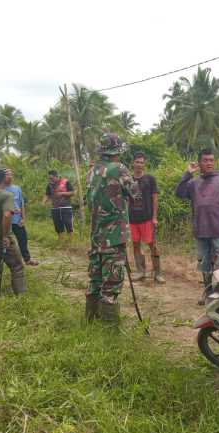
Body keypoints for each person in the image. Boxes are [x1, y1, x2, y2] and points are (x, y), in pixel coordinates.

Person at [85, 133, 138, 325]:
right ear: (117, 151)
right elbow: (135, 193)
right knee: (111, 285)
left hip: (96, 236)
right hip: (114, 237)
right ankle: (109, 331)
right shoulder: (119, 169)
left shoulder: (91, 171)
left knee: (95, 281)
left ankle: (90, 323)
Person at [175, 148, 219, 304]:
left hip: (218, 230)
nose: (209, 163)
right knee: (204, 263)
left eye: (211, 160)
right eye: (205, 160)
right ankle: (207, 292)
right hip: (200, 229)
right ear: (199, 163)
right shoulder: (194, 183)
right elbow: (179, 193)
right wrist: (187, 174)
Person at [128, 151, 165, 283]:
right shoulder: (128, 180)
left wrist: (154, 217)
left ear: (145, 164)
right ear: (133, 163)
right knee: (136, 245)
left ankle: (158, 273)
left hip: (147, 218)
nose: (139, 165)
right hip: (132, 219)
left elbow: (155, 198)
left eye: (142, 162)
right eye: (137, 162)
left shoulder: (150, 179)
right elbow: (126, 200)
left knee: (152, 245)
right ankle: (140, 271)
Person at [3, 168, 38, 266]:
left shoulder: (17, 188)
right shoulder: (0, 189)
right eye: (7, 174)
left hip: (17, 220)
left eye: (11, 174)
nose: (10, 176)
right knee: (5, 241)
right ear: (2, 176)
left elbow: (21, 204)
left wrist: (23, 218)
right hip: (5, 220)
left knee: (23, 239)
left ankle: (27, 259)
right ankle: (5, 261)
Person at [43, 170, 75, 239]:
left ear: (56, 176)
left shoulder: (66, 182)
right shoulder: (49, 185)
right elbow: (47, 194)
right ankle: (61, 242)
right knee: (58, 227)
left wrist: (62, 193)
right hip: (55, 208)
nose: (50, 180)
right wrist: (43, 202)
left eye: (51, 178)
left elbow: (72, 192)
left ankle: (71, 243)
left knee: (69, 225)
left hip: (66, 208)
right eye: (49, 178)